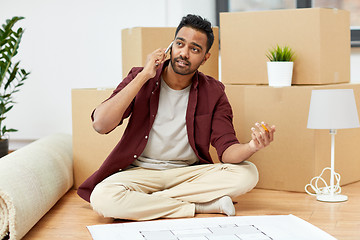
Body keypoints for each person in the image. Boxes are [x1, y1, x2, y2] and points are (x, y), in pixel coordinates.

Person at [77, 14, 276, 221]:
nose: (184, 53)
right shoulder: (140, 76)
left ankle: (146, 202)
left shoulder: (214, 91)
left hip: (187, 175)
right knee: (102, 197)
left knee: (248, 173)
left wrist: (253, 146)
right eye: (180, 44)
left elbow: (226, 151)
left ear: (205, 57)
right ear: (170, 46)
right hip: (140, 173)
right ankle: (199, 206)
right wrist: (144, 76)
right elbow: (100, 124)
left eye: (195, 49)